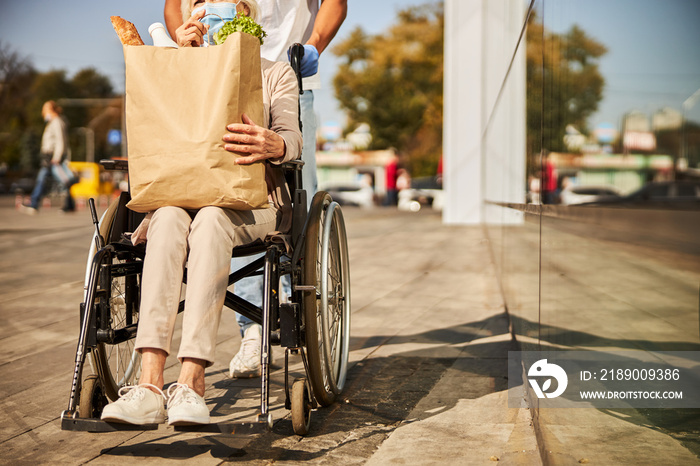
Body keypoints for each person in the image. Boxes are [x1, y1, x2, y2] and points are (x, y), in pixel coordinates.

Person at [100, 0, 302, 426]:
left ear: (245, 15)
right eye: (200, 4)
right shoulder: (171, 69)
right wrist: (183, 61)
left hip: (252, 204)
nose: (210, 11)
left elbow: (293, 140)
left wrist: (276, 145)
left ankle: (192, 382)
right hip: (177, 200)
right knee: (170, 216)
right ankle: (150, 383)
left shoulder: (274, 73)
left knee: (211, 218)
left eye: (223, 5)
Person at [164, 0, 347, 379]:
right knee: (224, 198)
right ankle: (254, 328)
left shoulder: (281, 74)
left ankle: (295, 308)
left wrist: (312, 45)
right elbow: (174, 5)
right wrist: (183, 47)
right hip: (210, 75)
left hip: (285, 74)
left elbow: (335, 3)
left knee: (293, 197)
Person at [22, 101, 77, 214]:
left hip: (53, 157)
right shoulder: (52, 122)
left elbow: (60, 140)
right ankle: (70, 204)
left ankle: (34, 203)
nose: (43, 112)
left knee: (44, 179)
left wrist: (57, 157)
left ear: (51, 110)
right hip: (50, 156)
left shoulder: (57, 122)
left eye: (45, 109)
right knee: (63, 180)